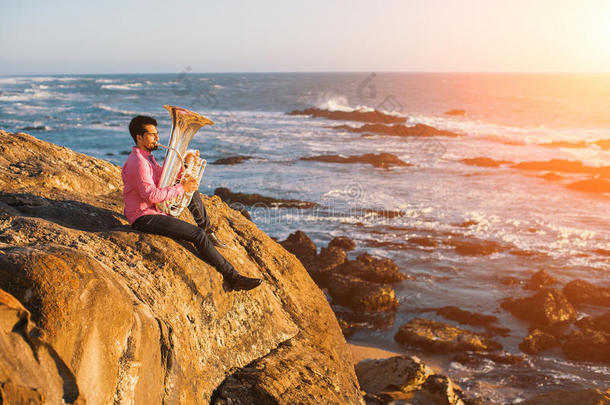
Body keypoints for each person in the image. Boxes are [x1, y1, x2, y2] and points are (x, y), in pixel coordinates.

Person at [121, 115, 263, 291]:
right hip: (143, 218)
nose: (157, 138)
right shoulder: (138, 162)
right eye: (152, 135)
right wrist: (181, 188)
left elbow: (165, 178)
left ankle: (207, 230)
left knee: (191, 191)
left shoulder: (147, 158)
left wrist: (184, 166)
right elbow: (151, 195)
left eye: (157, 134)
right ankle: (233, 278)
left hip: (154, 212)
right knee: (196, 235)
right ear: (139, 137)